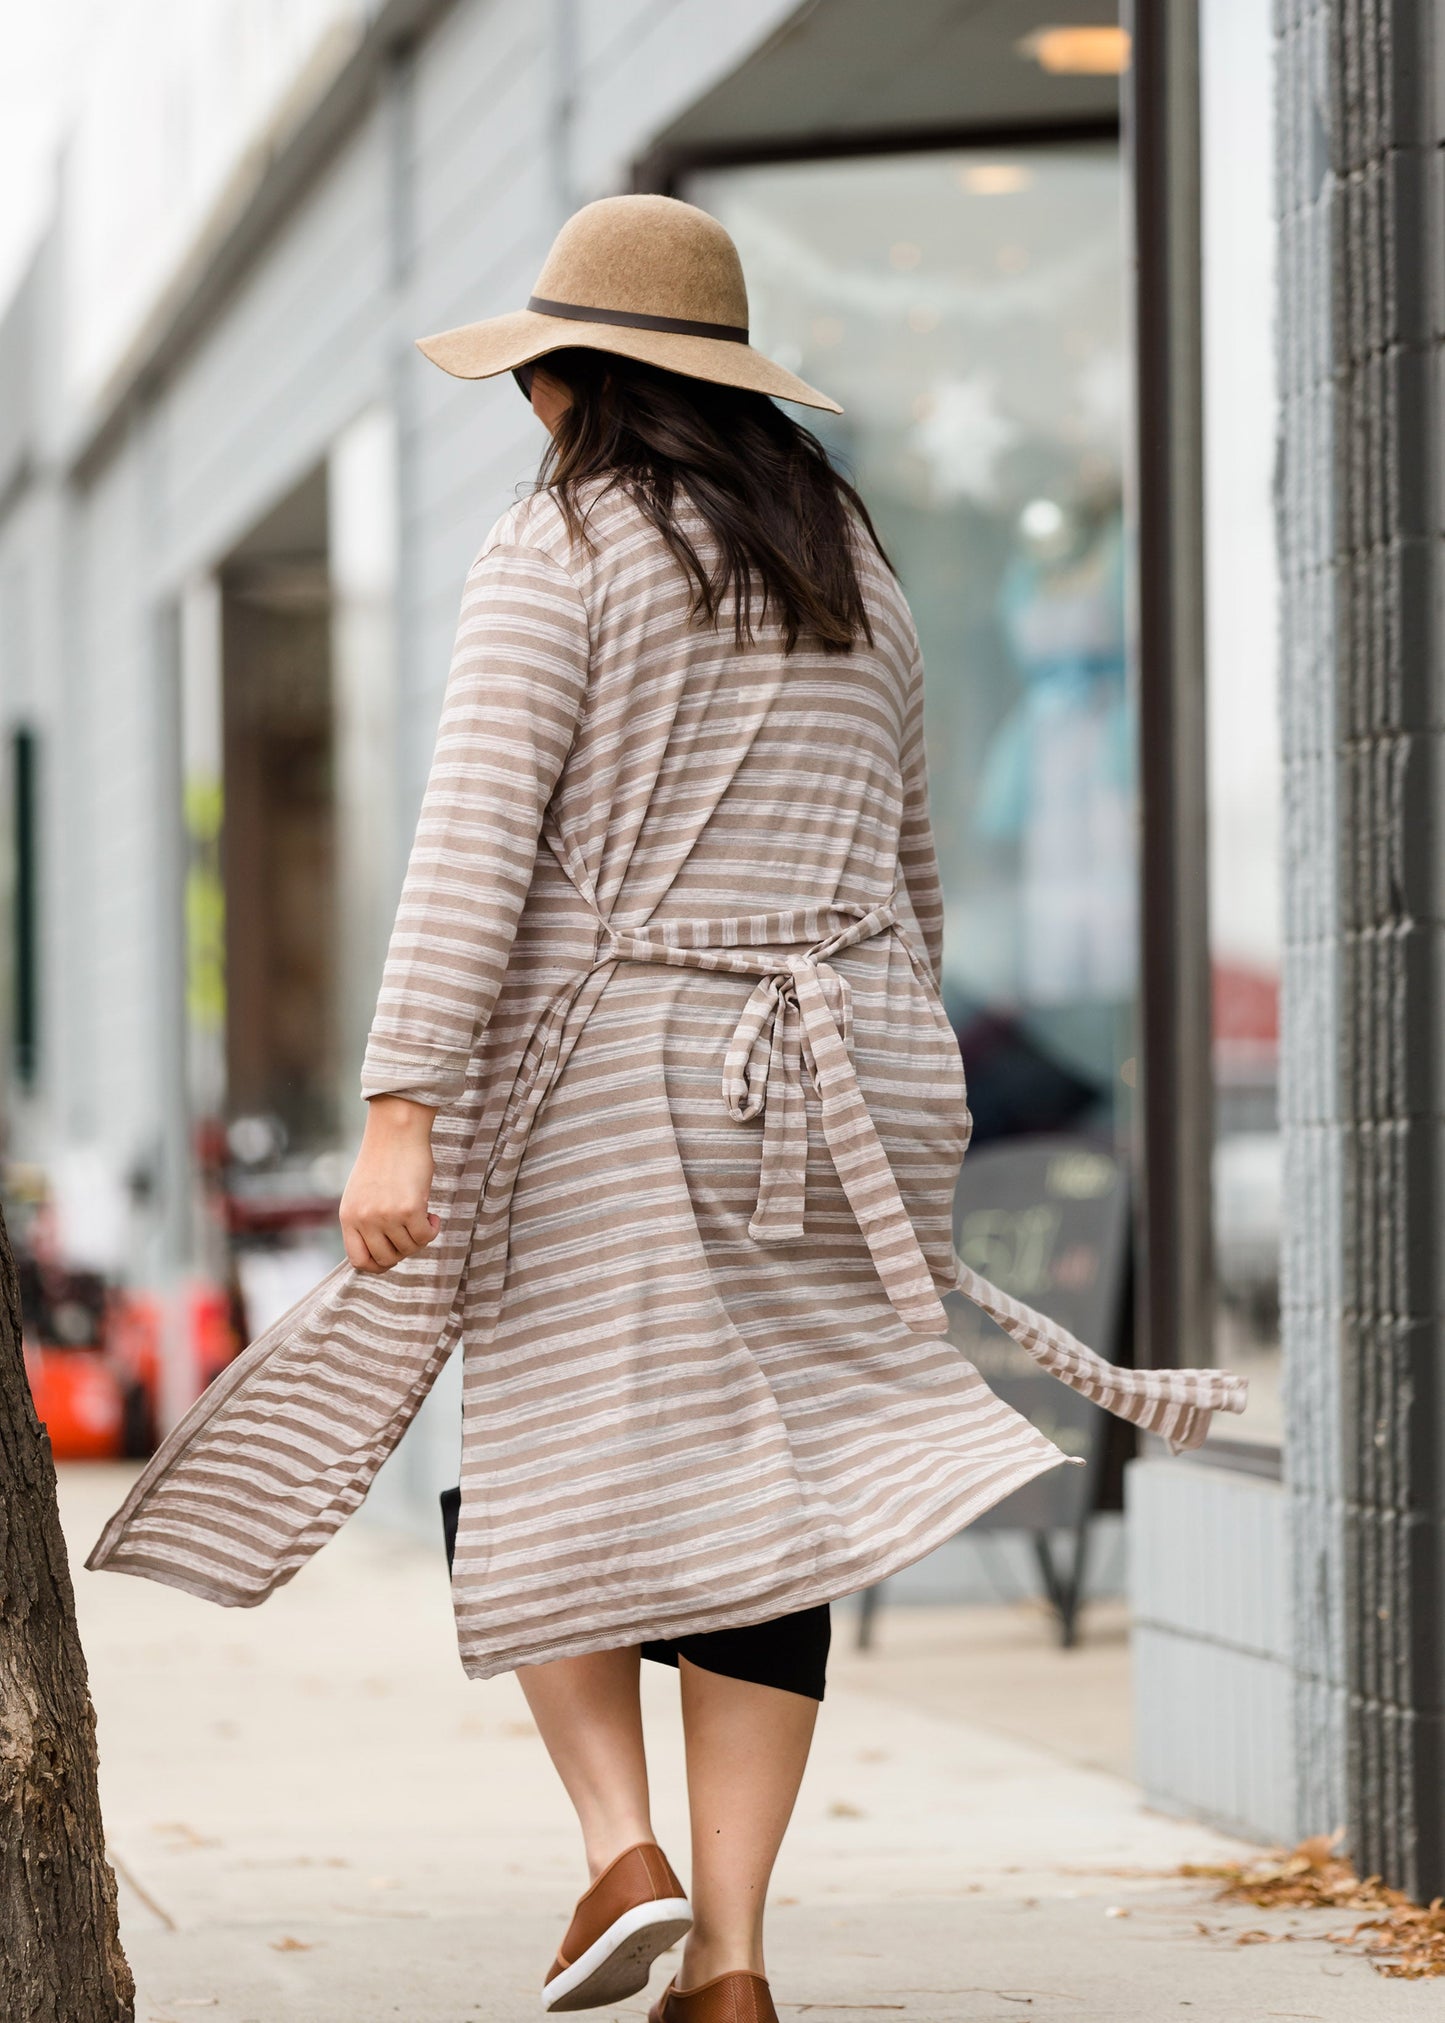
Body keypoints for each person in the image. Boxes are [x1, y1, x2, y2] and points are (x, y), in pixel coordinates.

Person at [88, 194, 1246, 2023]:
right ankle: (730, 1958)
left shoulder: (563, 542)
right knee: (767, 1504)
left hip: (626, 1073)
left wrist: (402, 1102)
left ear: (570, 382)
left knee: (545, 1458)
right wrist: (905, 1095)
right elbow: (911, 860)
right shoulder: (842, 557)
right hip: (842, 1065)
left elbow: (475, 841)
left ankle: (617, 1849)